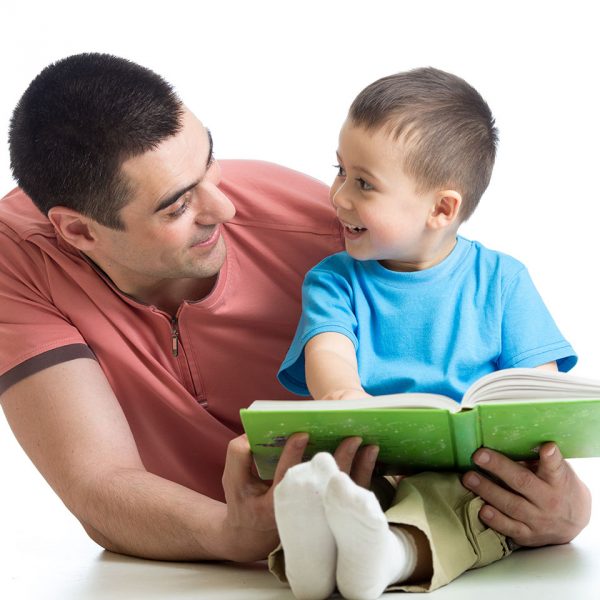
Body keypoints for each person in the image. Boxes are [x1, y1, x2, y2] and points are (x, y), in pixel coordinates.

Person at [0, 55, 590, 573]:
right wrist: (232, 536)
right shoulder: (19, 258)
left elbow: (493, 366)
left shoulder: (338, 233)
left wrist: (564, 507)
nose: (225, 206)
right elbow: (99, 486)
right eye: (179, 205)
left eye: (210, 161)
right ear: (77, 231)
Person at [270, 67, 591, 599]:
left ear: (442, 208)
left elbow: (537, 393)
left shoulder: (502, 280)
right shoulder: (334, 279)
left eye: (364, 183)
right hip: (369, 451)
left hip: (466, 473)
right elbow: (328, 351)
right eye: (340, 171)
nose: (340, 197)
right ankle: (311, 557)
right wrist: (346, 397)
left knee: (453, 502)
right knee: (336, 482)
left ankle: (392, 556)